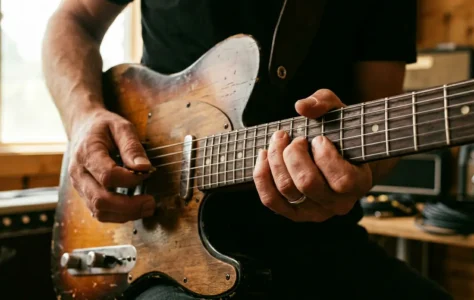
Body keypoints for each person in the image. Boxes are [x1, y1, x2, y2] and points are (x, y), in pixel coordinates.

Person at [42, 1, 453, 299]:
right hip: (161, 249)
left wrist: (355, 178)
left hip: (321, 240)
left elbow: (379, 123)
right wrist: (83, 119)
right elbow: (74, 16)